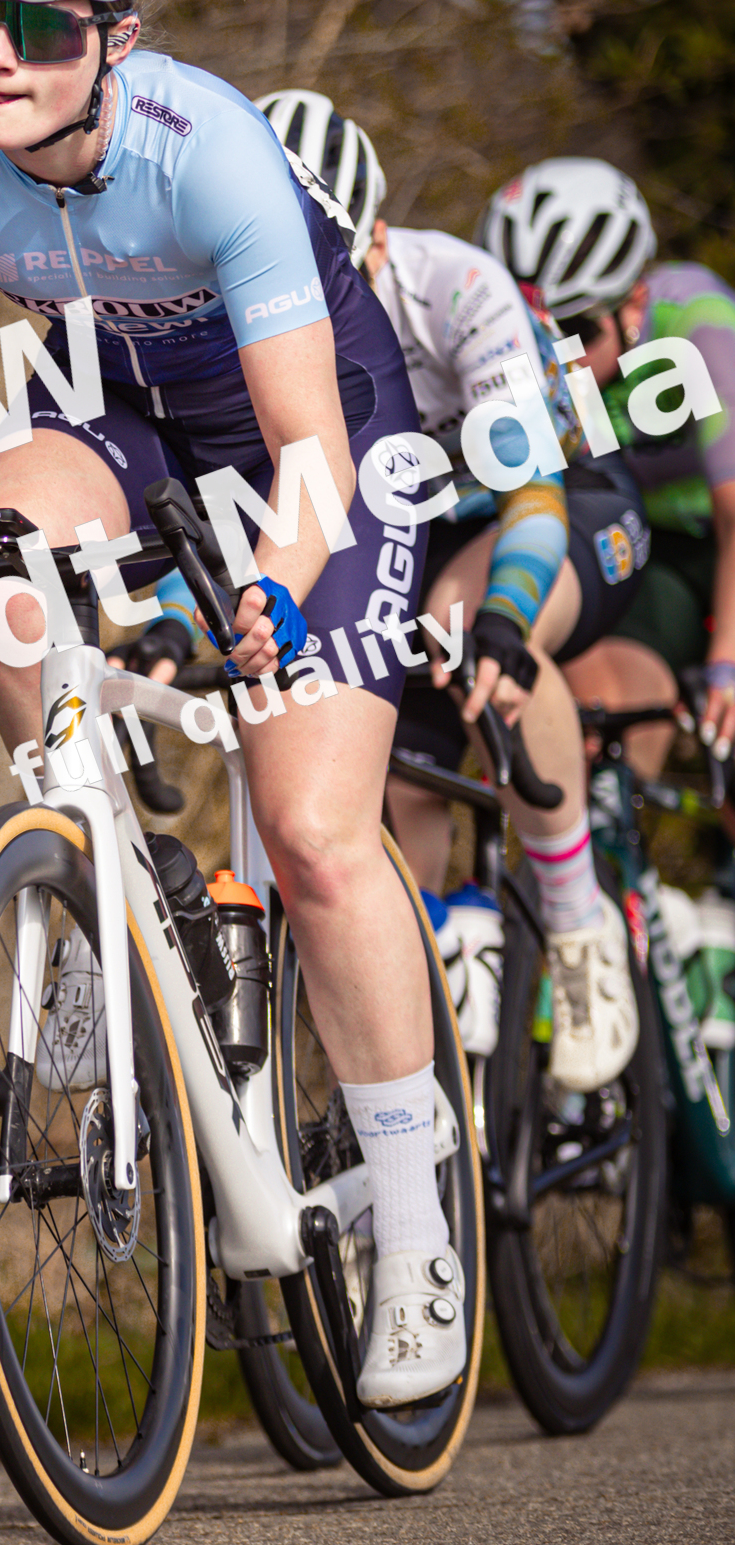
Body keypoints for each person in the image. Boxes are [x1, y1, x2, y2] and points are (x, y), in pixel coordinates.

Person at [0, 0, 462, 1408]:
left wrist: (277, 582)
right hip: (125, 415)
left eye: (37, 25)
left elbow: (309, 449)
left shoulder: (212, 149)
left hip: (319, 431)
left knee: (312, 831)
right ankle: (87, 849)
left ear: (117, 35)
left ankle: (417, 1210)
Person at [261, 95, 646, 1092]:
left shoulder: (458, 291)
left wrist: (510, 625)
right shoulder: (254, 314)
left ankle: (574, 917)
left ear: (375, 239)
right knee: (388, 761)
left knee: (470, 636)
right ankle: (420, 1021)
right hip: (418, 528)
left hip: (548, 505)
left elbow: (528, 492)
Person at [478, 161, 735, 796]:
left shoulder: (696, 323)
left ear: (635, 304)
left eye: (576, 331)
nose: (556, 355)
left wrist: (727, 664)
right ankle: (620, 851)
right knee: (600, 703)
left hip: (724, 519)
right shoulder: (536, 368)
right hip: (659, 543)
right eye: (538, 333)